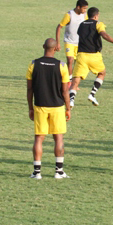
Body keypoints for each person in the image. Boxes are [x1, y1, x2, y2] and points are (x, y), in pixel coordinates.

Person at [26, 38, 71, 179]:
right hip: (57, 107)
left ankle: (37, 172)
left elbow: (29, 89)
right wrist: (68, 108)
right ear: (56, 48)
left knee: (39, 138)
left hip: (40, 106)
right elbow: (65, 91)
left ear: (43, 47)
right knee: (58, 138)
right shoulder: (61, 65)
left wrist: (30, 108)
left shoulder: (33, 64)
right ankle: (59, 171)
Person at [69, 7, 113, 107]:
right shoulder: (98, 24)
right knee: (102, 73)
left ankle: (71, 100)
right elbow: (104, 35)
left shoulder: (82, 24)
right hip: (94, 55)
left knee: (76, 79)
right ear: (96, 16)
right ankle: (92, 94)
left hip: (81, 55)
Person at [55, 0, 88, 78]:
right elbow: (59, 27)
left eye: (86, 9)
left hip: (80, 43)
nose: (85, 10)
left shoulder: (84, 15)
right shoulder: (69, 15)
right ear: (78, 7)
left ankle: (74, 80)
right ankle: (69, 81)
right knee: (70, 60)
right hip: (69, 42)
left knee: (78, 62)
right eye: (84, 8)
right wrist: (57, 43)